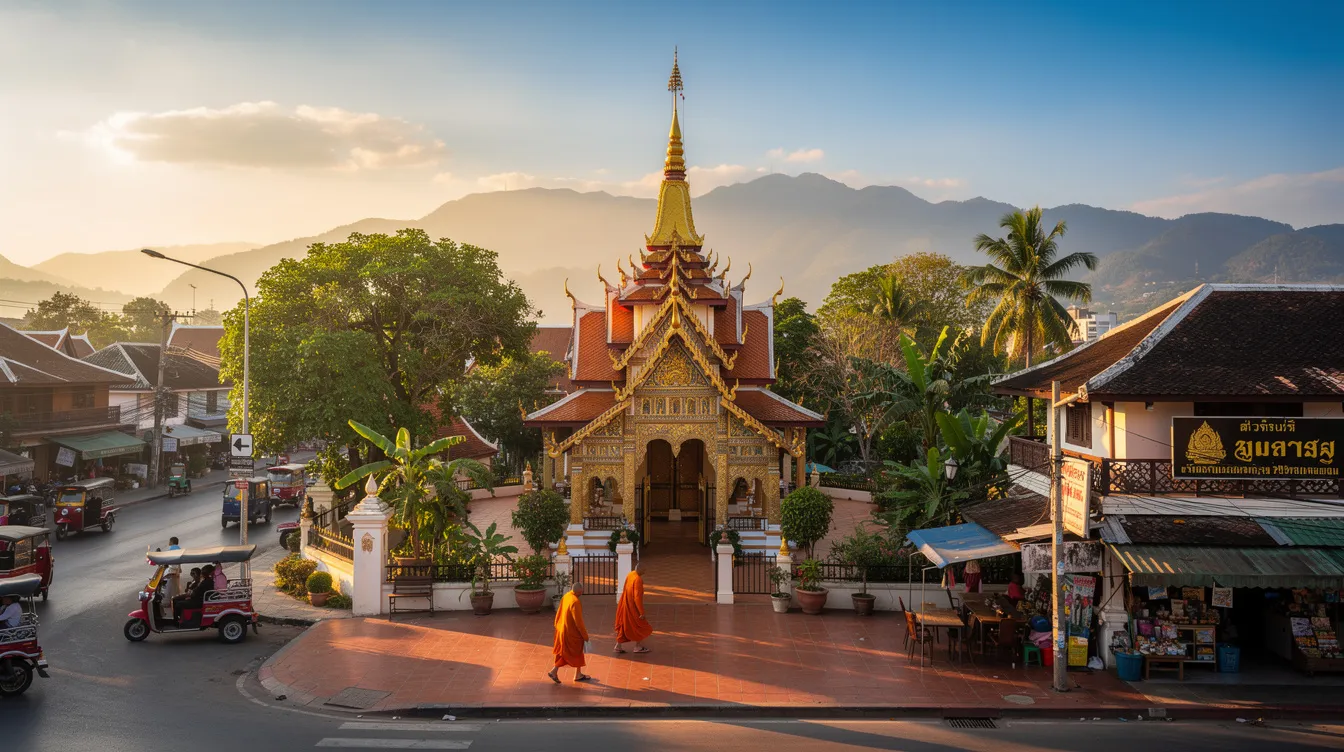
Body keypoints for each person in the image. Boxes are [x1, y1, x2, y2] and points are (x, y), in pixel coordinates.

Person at [548, 581, 591, 683]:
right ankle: (574, 674)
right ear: (579, 592)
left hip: (561, 628)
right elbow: (578, 622)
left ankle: (574, 673)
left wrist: (556, 624)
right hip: (571, 633)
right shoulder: (575, 602)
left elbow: (559, 611)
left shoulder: (567, 596)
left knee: (563, 652)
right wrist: (585, 636)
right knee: (576, 653)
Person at [613, 562, 652, 654]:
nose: (645, 572)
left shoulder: (630, 574)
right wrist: (641, 612)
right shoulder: (638, 579)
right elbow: (637, 597)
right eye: (644, 570)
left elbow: (625, 588)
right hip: (632, 607)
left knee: (624, 625)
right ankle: (638, 646)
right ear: (639, 569)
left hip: (625, 604)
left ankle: (618, 646)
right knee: (640, 626)